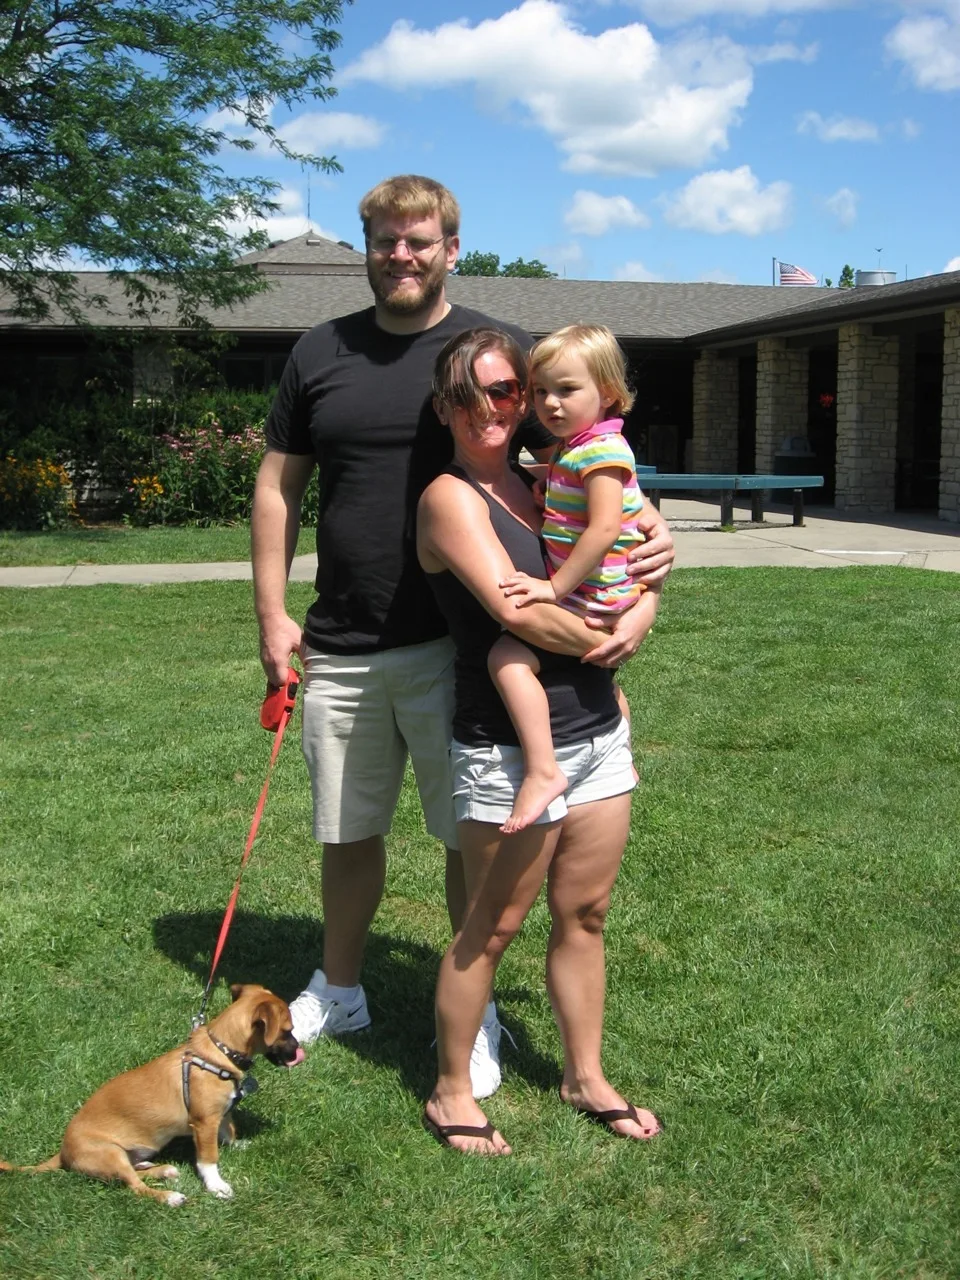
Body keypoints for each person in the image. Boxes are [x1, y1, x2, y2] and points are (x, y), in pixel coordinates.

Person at [251, 174, 675, 1100]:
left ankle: (471, 1011)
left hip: (456, 643)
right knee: (347, 828)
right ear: (366, 247)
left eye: (420, 241)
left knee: (465, 838)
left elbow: (581, 456)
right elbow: (279, 484)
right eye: (386, 240)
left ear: (452, 247)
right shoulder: (321, 351)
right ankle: (342, 988)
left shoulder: (497, 349)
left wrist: (652, 537)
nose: (402, 255)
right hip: (347, 638)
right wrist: (273, 613)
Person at [417, 326, 661, 1154]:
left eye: (504, 390)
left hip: (596, 736)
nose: (489, 408)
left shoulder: (551, 475)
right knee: (490, 928)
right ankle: (451, 1091)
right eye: (467, 394)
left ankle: (584, 1075)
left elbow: (642, 546)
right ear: (444, 407)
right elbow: (518, 613)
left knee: (585, 915)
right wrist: (610, 639)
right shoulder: (451, 498)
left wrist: (646, 602)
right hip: (508, 749)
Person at [489, 324, 648, 833]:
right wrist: (548, 488)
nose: (550, 403)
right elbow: (574, 497)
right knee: (603, 680)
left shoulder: (601, 452)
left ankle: (543, 770)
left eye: (567, 389)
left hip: (593, 596)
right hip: (602, 594)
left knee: (506, 657)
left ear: (608, 393)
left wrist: (553, 589)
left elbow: (604, 529)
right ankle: (621, 753)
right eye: (540, 392)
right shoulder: (575, 448)